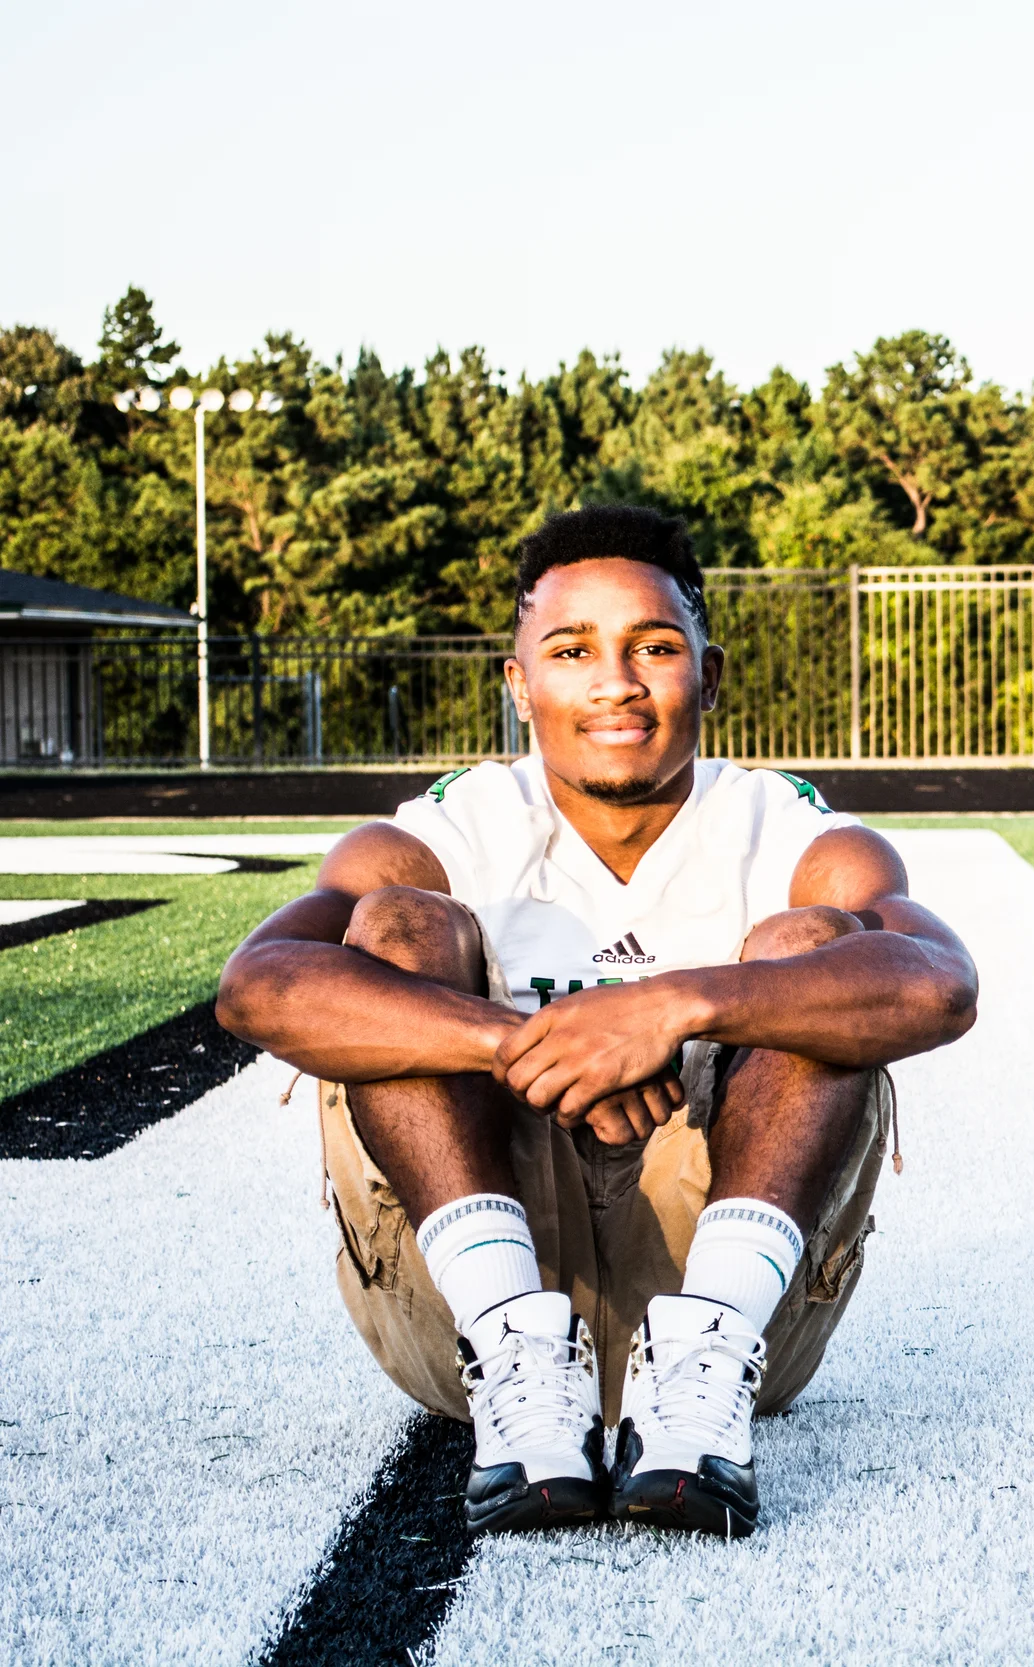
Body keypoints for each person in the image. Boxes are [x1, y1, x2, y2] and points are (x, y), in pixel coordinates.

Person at [218, 505, 978, 1539]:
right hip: (469, 1314)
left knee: (816, 950)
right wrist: (528, 1044)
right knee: (393, 930)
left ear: (709, 674)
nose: (615, 681)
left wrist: (670, 1007)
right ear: (519, 682)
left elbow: (940, 985)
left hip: (741, 1323)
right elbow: (259, 986)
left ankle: (703, 1366)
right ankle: (516, 1346)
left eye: (653, 647)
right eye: (572, 650)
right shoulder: (458, 826)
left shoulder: (783, 826)